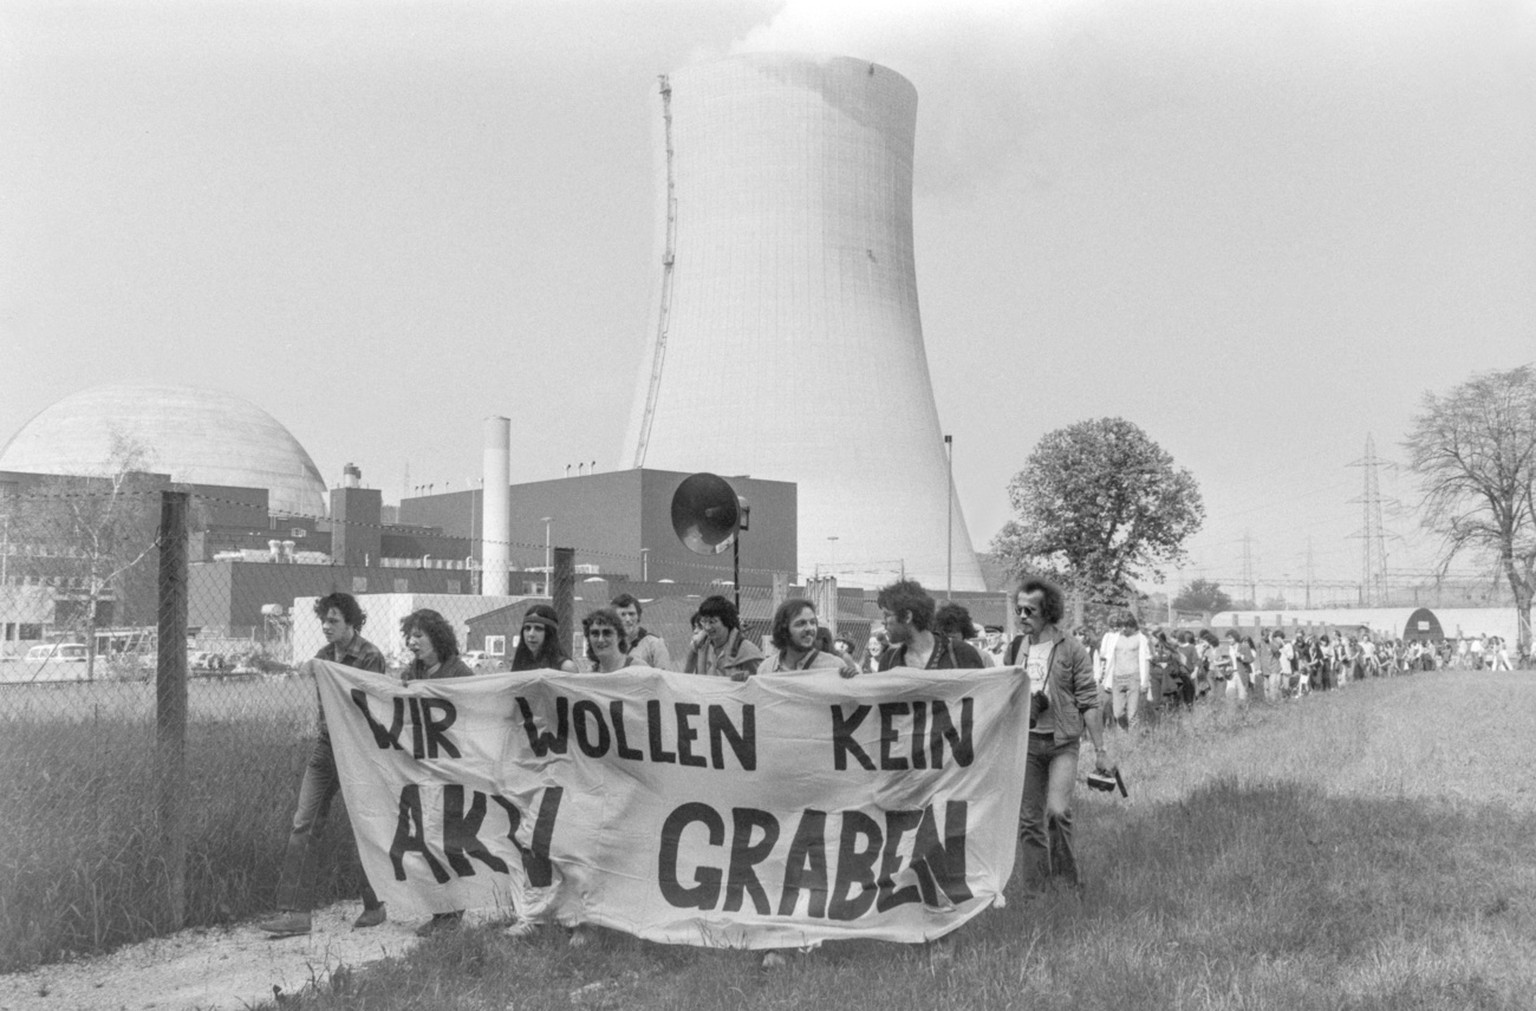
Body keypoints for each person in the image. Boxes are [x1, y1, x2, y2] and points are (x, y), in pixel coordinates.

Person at [257, 593, 389, 938]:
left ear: (351, 622)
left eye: (333, 621)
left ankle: (375, 904)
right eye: (324, 621)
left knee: (365, 826)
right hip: (326, 747)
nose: (326, 627)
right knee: (304, 823)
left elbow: (367, 703)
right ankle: (296, 912)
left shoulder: (371, 656)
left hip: (359, 750)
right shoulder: (323, 656)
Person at [1007, 577, 1109, 896]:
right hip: (1028, 743)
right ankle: (1035, 890)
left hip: (1063, 743)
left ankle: (1067, 882)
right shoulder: (1014, 648)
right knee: (1029, 820)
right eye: (1019, 609)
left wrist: (1101, 750)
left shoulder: (1071, 649)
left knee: (1057, 811)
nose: (1022, 615)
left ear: (1047, 611)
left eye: (1030, 610)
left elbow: (1090, 701)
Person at [398, 608, 477, 936]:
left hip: (453, 769)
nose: (413, 643)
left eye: (419, 635)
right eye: (410, 636)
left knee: (448, 839)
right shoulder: (411, 672)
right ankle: (439, 910)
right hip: (421, 767)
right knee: (425, 837)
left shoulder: (459, 671)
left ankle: (453, 913)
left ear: (437, 637)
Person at [875, 579, 984, 670]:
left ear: (907, 616)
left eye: (887, 615)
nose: (883, 622)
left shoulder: (960, 654)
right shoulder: (889, 661)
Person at [758, 598, 859, 677]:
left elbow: (853, 701)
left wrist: (852, 681)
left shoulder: (834, 666)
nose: (809, 629)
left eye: (812, 622)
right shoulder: (766, 669)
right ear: (784, 629)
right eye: (800, 623)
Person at [682, 595, 762, 680]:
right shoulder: (701, 644)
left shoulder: (746, 649)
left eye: (712, 622)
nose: (707, 627)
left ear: (726, 621)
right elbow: (686, 677)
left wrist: (746, 678)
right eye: (704, 621)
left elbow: (762, 680)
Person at [1097, 612, 1151, 729]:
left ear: (1133, 625)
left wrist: (1145, 681)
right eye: (1122, 626)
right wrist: (1104, 679)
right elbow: (1106, 659)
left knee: (1132, 713)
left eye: (1127, 626)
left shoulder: (1141, 638)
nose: (1124, 629)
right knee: (1118, 713)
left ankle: (1133, 740)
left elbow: (1146, 660)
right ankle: (1126, 731)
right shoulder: (1114, 638)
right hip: (1117, 677)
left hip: (1134, 677)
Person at [611, 593, 671, 670]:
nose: (628, 619)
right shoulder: (608, 644)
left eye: (631, 614)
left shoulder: (655, 644)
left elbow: (665, 678)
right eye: (623, 614)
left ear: (638, 616)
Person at [509, 604, 577, 672]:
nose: (531, 634)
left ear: (549, 633)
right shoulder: (520, 663)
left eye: (538, 628)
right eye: (527, 628)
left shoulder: (566, 667)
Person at [934, 601, 995, 667]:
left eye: (954, 634)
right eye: (946, 633)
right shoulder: (933, 658)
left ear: (963, 633)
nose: (951, 641)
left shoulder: (982, 656)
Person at [583, 607, 637, 673]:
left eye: (607, 633)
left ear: (619, 637)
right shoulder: (591, 673)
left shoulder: (636, 668)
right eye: (595, 634)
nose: (600, 640)